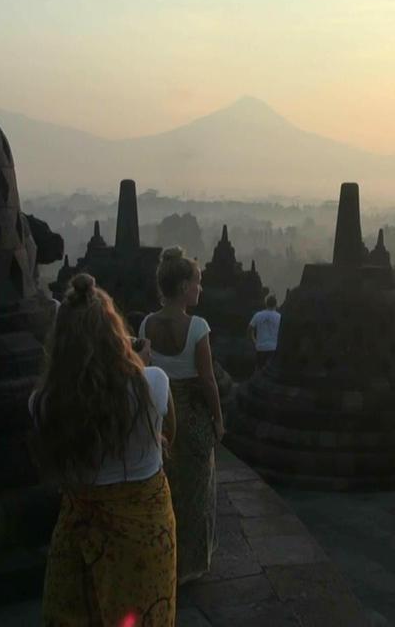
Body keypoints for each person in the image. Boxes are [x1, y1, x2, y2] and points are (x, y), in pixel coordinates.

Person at [29, 273, 177, 627]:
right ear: (115, 333)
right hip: (145, 537)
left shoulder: (43, 403)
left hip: (77, 536)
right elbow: (170, 431)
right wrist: (137, 362)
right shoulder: (152, 383)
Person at [139, 247, 223, 584]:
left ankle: (164, 560)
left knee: (167, 492)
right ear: (184, 286)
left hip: (162, 420)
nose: (200, 289)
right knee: (196, 495)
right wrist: (218, 419)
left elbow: (146, 372)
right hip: (193, 419)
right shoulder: (198, 327)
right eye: (197, 283)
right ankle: (188, 566)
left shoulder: (146, 323)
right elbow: (208, 380)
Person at [248, 294, 281, 372]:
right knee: (270, 372)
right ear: (276, 304)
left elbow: (250, 329)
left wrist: (254, 341)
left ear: (266, 304)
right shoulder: (279, 317)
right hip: (274, 348)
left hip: (260, 347)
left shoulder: (258, 315)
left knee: (259, 370)